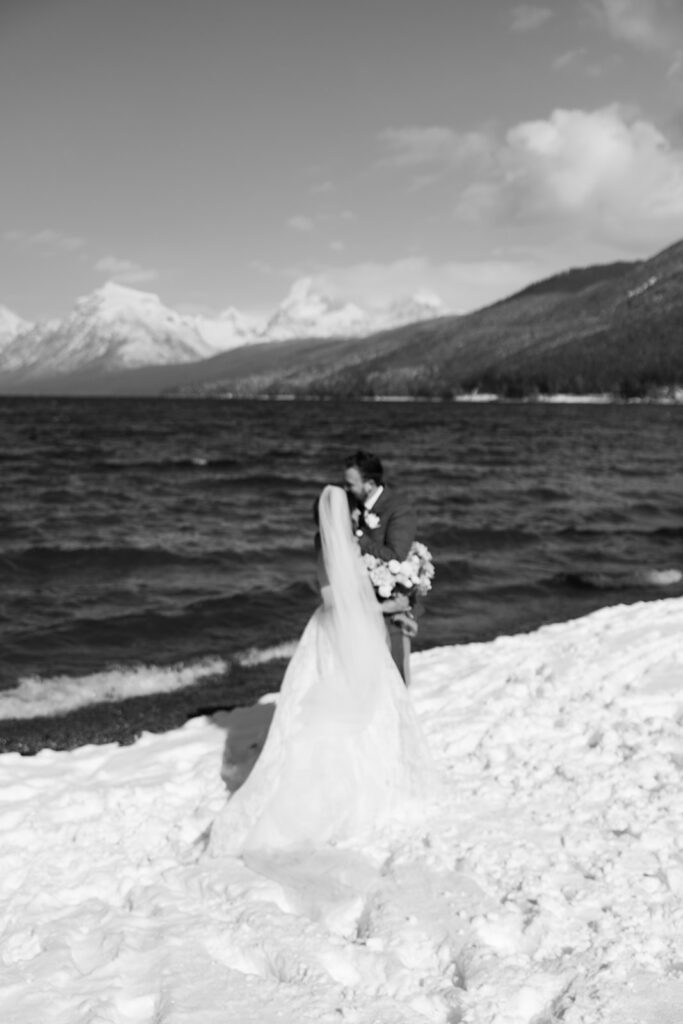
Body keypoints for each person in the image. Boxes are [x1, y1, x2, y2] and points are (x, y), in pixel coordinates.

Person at [207, 485, 433, 856]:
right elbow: (336, 601)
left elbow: (339, 597)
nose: (360, 515)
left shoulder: (338, 545)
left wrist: (390, 603)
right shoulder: (342, 546)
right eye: (354, 511)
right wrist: (389, 608)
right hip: (344, 630)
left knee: (348, 699)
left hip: (342, 631)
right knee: (346, 701)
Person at [344, 450, 419, 684]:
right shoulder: (352, 503)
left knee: (393, 678)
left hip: (389, 607)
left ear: (370, 484)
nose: (346, 489)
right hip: (359, 604)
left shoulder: (398, 509)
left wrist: (358, 535)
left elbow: (396, 556)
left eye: (350, 484)